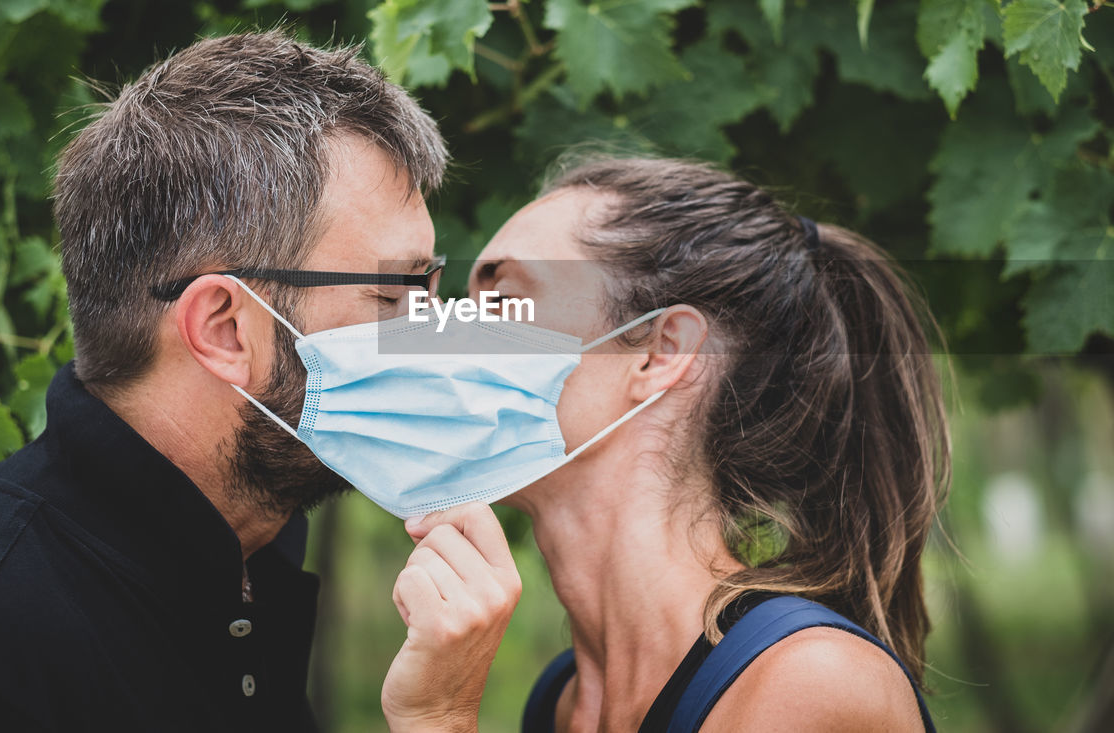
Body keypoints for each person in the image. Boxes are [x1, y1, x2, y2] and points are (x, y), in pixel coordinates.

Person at [0, 30, 508, 732]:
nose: (430, 331)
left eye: (430, 287)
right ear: (227, 327)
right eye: (394, 294)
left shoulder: (251, 554)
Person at [390, 156, 948, 731]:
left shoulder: (807, 684)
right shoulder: (560, 701)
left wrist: (438, 718)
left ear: (658, 353)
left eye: (504, 299)